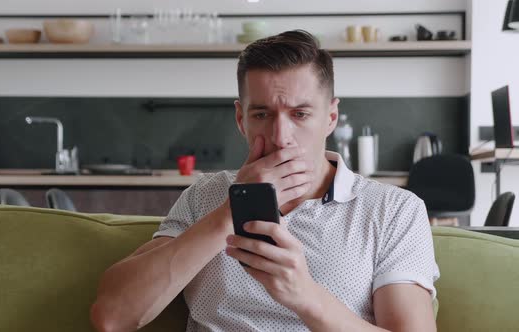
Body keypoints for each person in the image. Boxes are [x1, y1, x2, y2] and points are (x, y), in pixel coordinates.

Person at [90, 30, 439, 332]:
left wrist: (304, 295)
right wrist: (229, 212)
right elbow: (112, 316)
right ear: (242, 120)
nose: (281, 136)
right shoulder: (205, 197)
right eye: (262, 114)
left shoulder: (394, 210)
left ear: (331, 117)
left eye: (300, 114)